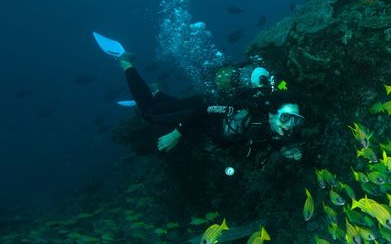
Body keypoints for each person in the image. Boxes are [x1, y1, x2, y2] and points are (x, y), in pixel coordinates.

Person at [94, 32, 304, 162]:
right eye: (286, 117)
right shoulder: (246, 111)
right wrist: (177, 133)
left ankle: (156, 91)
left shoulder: (274, 126)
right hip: (203, 111)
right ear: (272, 113)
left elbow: (270, 139)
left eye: (296, 120)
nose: (290, 125)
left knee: (174, 106)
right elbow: (204, 111)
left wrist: (287, 149)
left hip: (205, 119)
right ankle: (125, 62)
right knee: (150, 114)